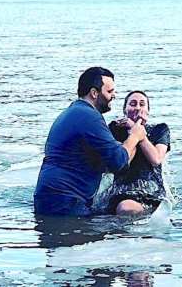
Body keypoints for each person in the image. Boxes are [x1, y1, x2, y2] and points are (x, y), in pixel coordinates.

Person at [34, 67, 147, 217]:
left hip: (50, 198)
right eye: (109, 91)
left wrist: (126, 146)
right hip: (66, 201)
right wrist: (135, 136)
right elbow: (119, 161)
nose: (113, 95)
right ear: (94, 93)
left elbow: (109, 165)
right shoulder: (89, 116)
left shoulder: (74, 111)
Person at [104, 90, 171, 216]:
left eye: (142, 104)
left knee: (127, 208)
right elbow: (118, 163)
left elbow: (156, 159)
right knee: (125, 207)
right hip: (122, 191)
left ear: (148, 111)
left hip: (151, 190)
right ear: (125, 110)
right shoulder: (115, 129)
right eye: (133, 104)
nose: (137, 108)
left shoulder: (160, 129)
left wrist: (139, 133)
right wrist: (132, 132)